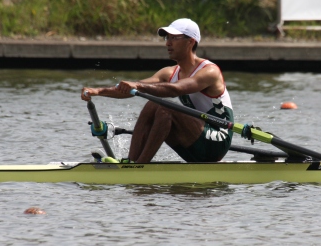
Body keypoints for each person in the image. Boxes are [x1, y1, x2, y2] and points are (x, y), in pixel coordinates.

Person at [81, 18, 234, 163]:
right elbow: (133, 87)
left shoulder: (210, 71)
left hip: (218, 140)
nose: (168, 43)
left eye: (174, 38)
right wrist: (97, 91)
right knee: (152, 105)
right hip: (195, 138)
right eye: (167, 38)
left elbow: (177, 89)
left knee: (164, 108)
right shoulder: (169, 73)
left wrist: (138, 86)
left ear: (190, 42)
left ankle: (140, 167)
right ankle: (132, 162)